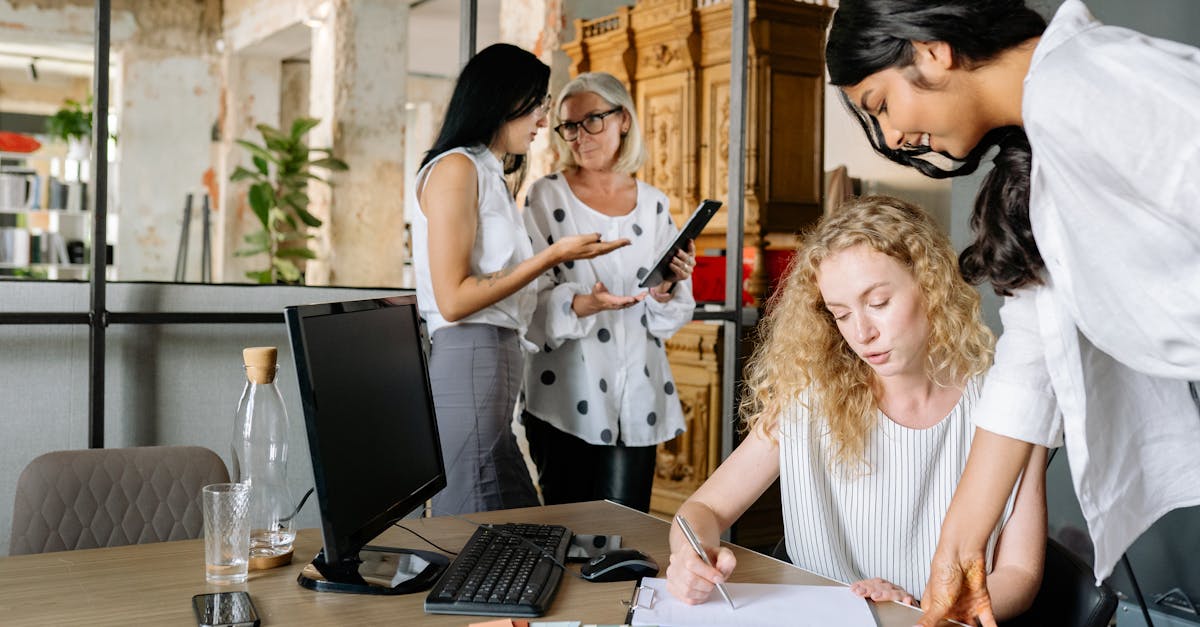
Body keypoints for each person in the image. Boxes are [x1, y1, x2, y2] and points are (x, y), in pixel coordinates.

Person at [825, 2, 1200, 625]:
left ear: (929, 52)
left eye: (880, 103)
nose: (891, 139)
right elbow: (1028, 368)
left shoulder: (1088, 79)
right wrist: (959, 551)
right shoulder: (1043, 148)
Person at [664, 196, 1046, 620]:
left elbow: (1020, 572)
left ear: (930, 284)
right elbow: (702, 510)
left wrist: (923, 609)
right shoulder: (808, 398)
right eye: (841, 314)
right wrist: (689, 555)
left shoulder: (1006, 403)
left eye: (879, 303)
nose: (862, 333)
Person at [411, 44, 629, 516]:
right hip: (471, 356)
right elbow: (453, 299)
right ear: (500, 100)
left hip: (492, 362)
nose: (542, 119)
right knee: (476, 529)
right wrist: (554, 254)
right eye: (536, 104)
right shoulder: (457, 168)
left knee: (514, 524)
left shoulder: (487, 174)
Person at [520, 72, 697, 513]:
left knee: (626, 538)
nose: (579, 137)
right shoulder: (545, 197)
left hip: (638, 394)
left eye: (592, 121)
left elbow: (668, 315)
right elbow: (528, 302)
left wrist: (667, 288)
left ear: (623, 120)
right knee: (567, 535)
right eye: (569, 126)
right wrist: (586, 304)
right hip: (564, 397)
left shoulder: (655, 203)